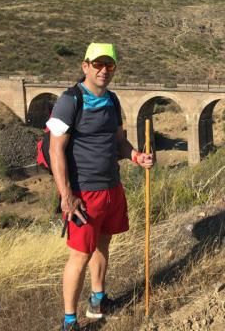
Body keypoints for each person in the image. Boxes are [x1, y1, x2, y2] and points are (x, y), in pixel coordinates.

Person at [47, 42, 153, 331]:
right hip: (83, 191)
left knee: (104, 243)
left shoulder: (112, 100)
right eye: (98, 64)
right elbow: (56, 150)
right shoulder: (70, 100)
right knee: (80, 254)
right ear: (85, 66)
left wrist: (135, 155)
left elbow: (118, 140)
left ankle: (98, 299)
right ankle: (69, 320)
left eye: (110, 65)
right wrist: (67, 196)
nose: (104, 70)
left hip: (111, 185)